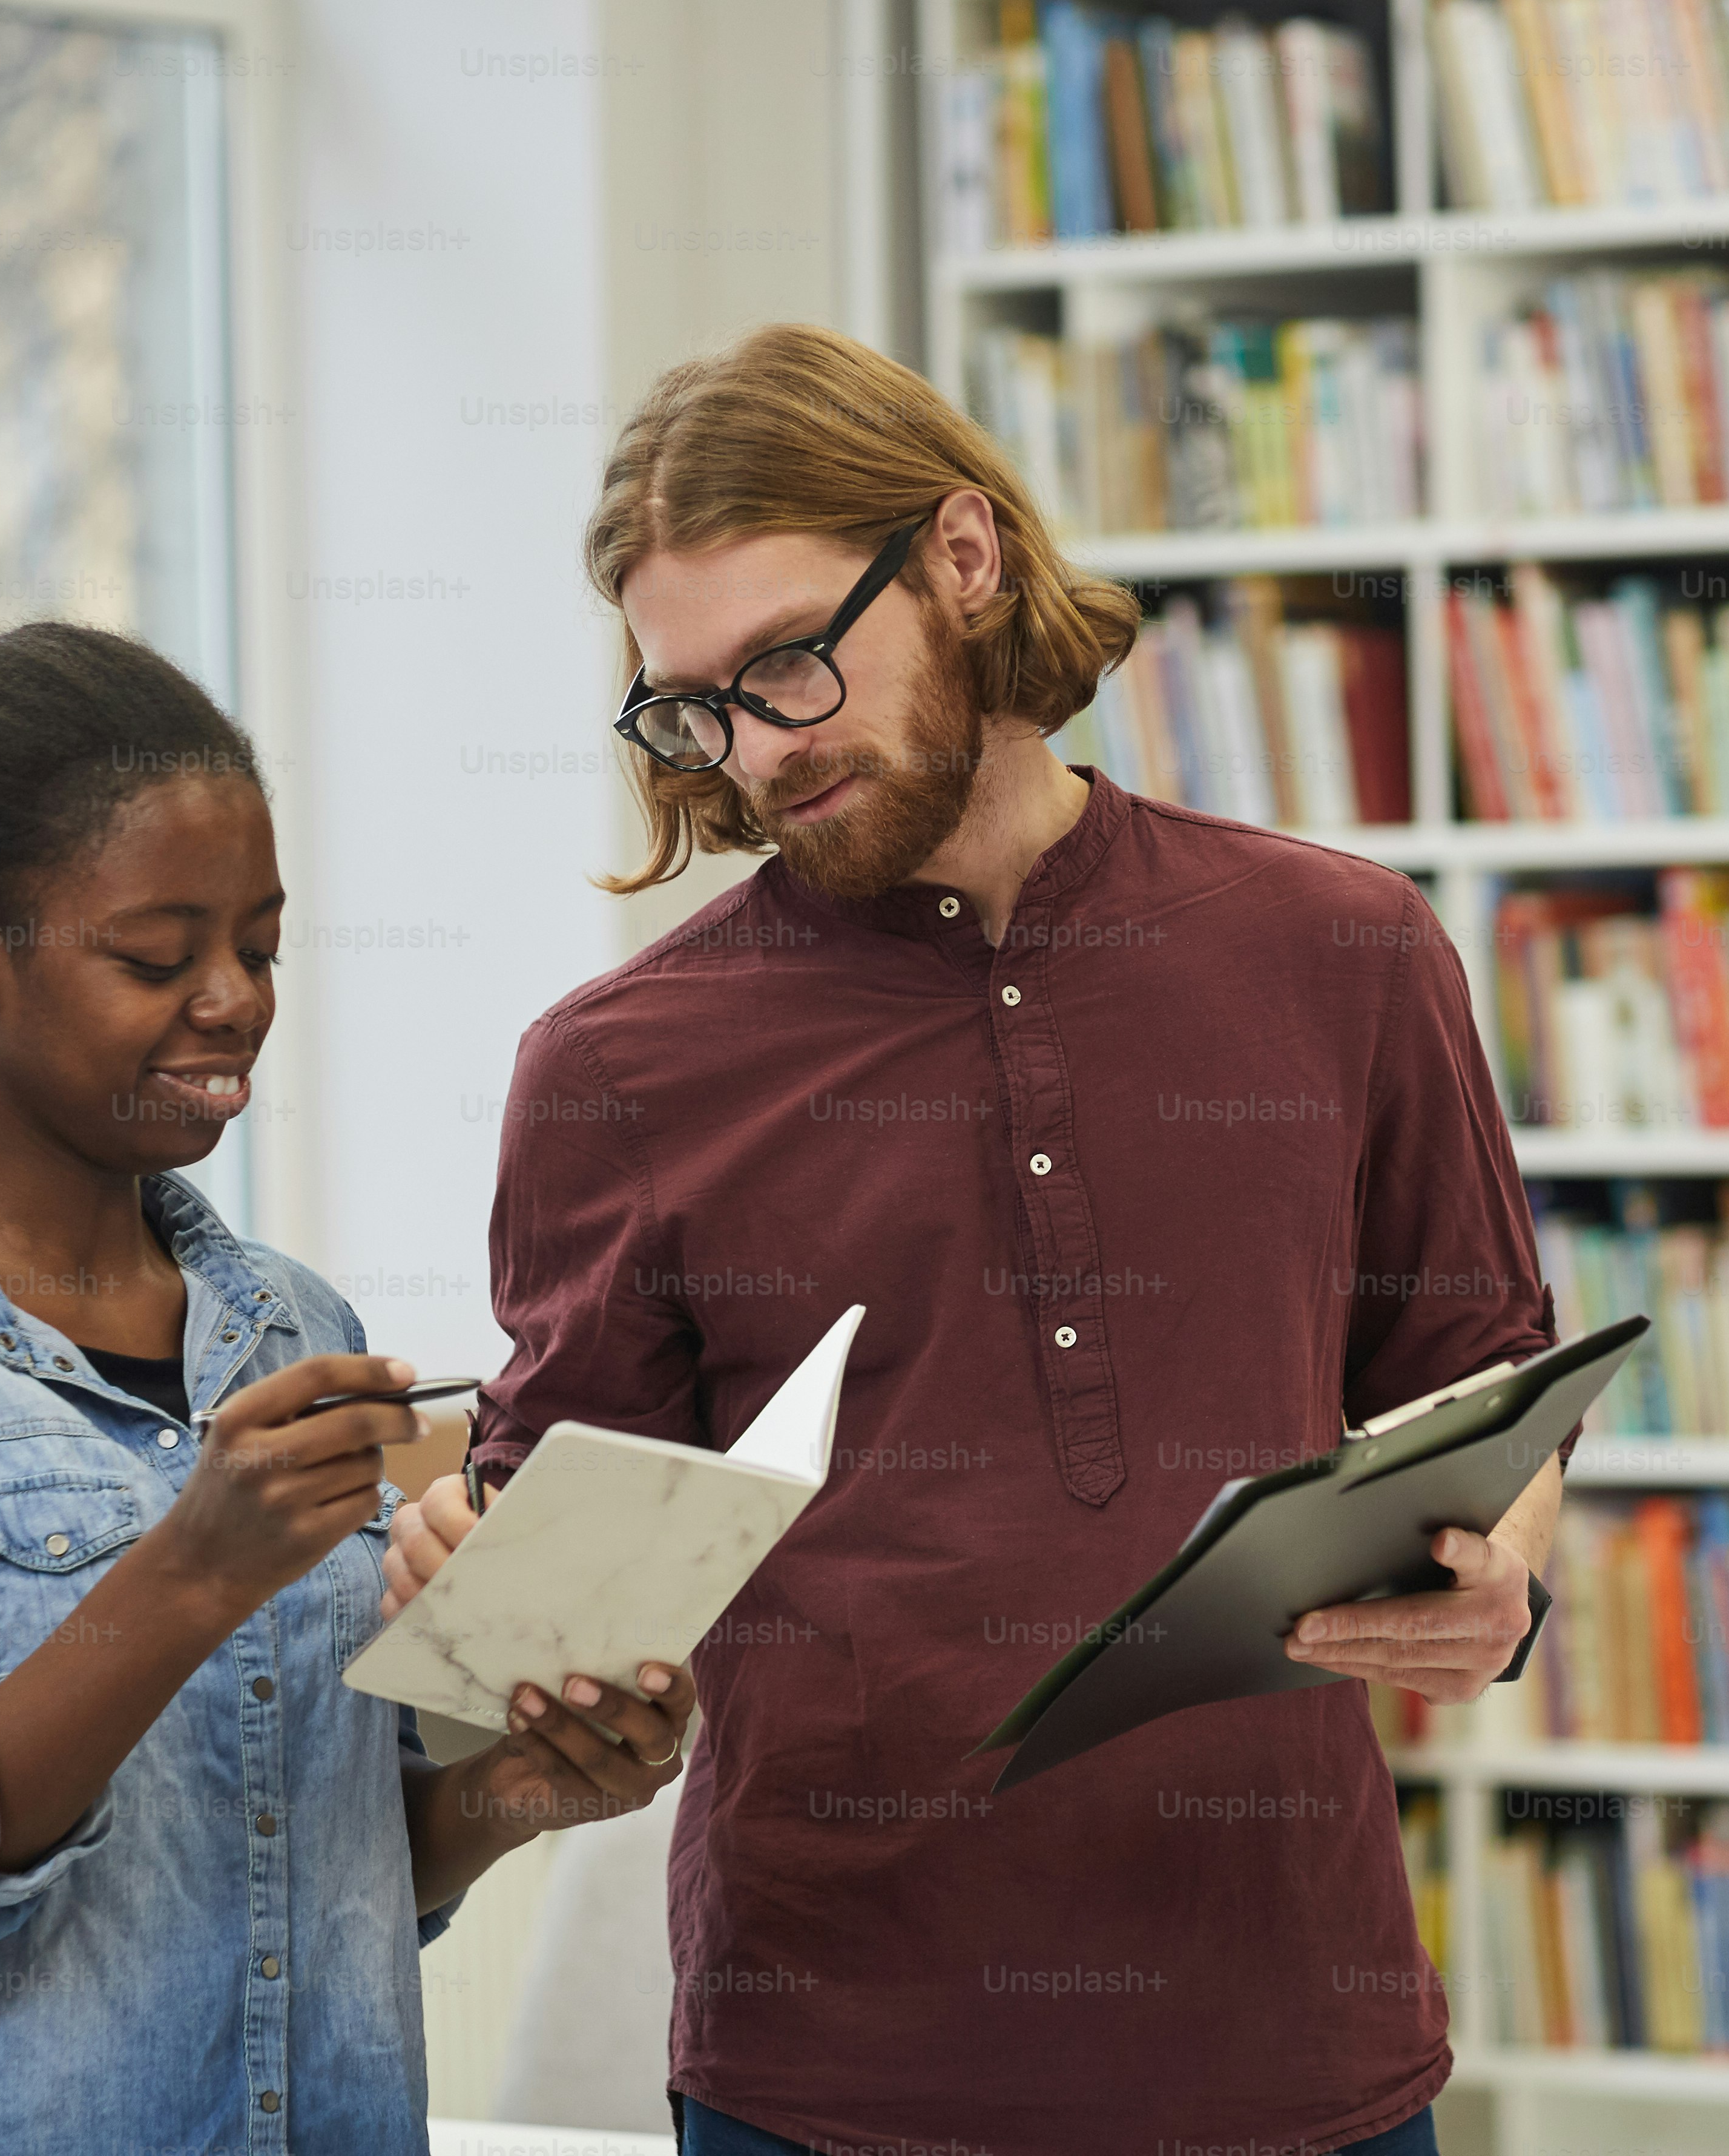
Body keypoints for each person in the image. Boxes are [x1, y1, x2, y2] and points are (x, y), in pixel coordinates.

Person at [383, 323, 1567, 2155]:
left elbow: (1483, 1380)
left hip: (1299, 2048)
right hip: (828, 2084)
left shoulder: (1347, 948)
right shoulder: (614, 1069)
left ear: (960, 555)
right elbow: (567, 1575)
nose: (753, 753)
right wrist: (476, 1585)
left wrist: (1495, 1586)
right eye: (692, 706)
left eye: (788, 665)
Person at [0, 623, 692, 2156]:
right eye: (158, 955)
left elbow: (319, 1871)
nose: (235, 1001)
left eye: (259, 947)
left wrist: (524, 1789)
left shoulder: (287, 1326)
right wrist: (188, 1573)